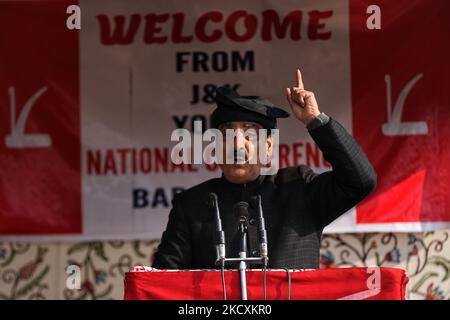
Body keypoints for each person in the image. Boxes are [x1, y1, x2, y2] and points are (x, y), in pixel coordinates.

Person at [152, 69, 377, 269]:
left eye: (249, 133)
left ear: (268, 147)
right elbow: (163, 283)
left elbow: (360, 181)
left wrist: (315, 120)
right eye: (227, 134)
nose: (238, 144)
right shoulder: (191, 205)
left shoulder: (299, 188)